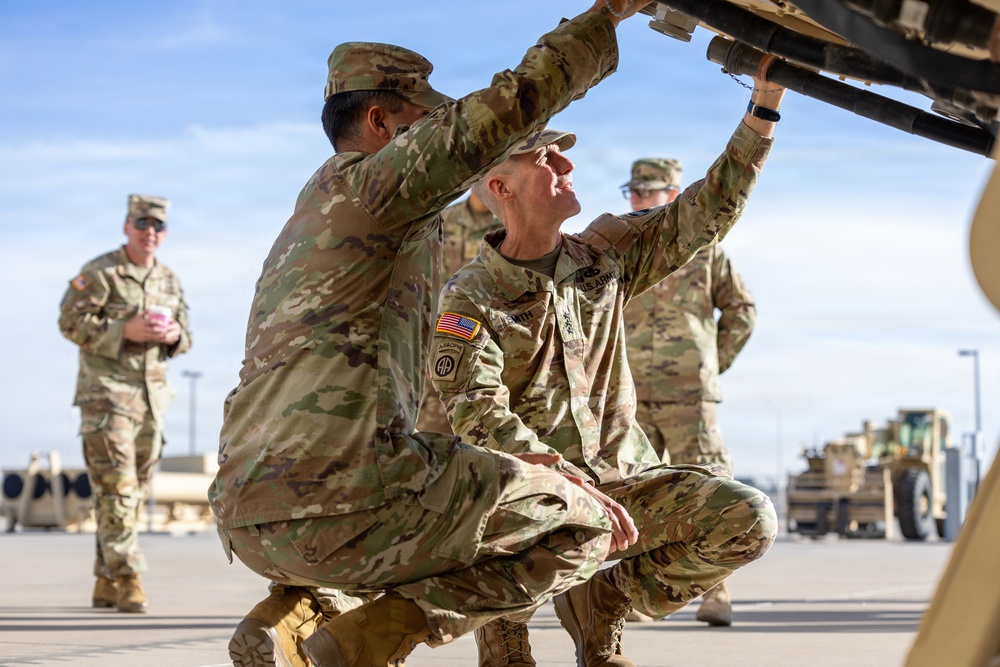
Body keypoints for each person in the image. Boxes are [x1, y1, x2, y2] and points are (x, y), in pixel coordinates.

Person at [209, 3, 652, 666]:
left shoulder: (314, 215)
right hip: (344, 508)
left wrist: (510, 461)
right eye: (424, 123)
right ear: (381, 122)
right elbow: (505, 112)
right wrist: (608, 16)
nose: (439, 140)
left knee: (448, 490)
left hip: (249, 514)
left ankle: (296, 614)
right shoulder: (376, 189)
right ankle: (363, 641)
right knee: (585, 523)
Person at [430, 75, 785, 666]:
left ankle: (604, 602)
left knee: (747, 518)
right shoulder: (471, 297)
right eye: (545, 158)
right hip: (531, 498)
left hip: (620, 481)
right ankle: (505, 635)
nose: (566, 164)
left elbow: (706, 211)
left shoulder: (606, 255)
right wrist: (563, 481)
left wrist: (763, 107)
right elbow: (479, 411)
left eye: (562, 153)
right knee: (492, 504)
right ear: (501, 187)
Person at [621, 157, 756, 627]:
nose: (638, 198)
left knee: (710, 486)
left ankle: (715, 592)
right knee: (635, 491)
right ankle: (635, 594)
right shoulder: (623, 249)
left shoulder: (706, 249)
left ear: (673, 194)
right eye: (633, 190)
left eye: (648, 190)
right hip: (631, 395)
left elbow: (741, 311)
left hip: (689, 398)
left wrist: (712, 365)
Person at [58, 193, 192, 614]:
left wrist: (174, 336)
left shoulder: (169, 280)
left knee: (132, 492)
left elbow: (186, 334)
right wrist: (124, 330)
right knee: (117, 486)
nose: (150, 231)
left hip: (152, 399)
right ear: (126, 227)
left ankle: (105, 577)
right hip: (106, 397)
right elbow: (69, 322)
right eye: (142, 223)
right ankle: (129, 576)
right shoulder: (100, 273)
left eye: (158, 225)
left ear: (164, 233)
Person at [417, 189, 503, 433]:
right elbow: (421, 287)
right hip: (442, 348)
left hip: (495, 351)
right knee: (435, 439)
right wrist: (422, 346)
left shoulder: (512, 225)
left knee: (490, 435)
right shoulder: (441, 222)